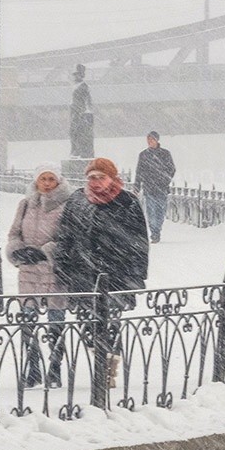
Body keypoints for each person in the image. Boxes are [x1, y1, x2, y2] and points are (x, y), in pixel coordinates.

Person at [55, 157, 149, 390]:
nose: (96, 182)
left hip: (116, 273)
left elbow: (139, 241)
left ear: (113, 178)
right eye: (92, 178)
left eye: (101, 177)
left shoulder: (127, 202)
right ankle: (99, 360)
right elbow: (65, 234)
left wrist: (136, 275)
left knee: (112, 323)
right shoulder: (78, 200)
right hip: (83, 273)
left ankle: (108, 371)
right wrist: (62, 265)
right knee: (88, 324)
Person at [5, 164, 74, 388]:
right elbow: (14, 233)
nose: (46, 183)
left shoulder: (67, 206)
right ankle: (32, 369)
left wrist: (46, 251)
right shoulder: (26, 205)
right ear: (36, 181)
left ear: (58, 181)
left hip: (53, 271)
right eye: (42, 178)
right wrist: (18, 250)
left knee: (56, 322)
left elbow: (69, 239)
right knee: (28, 322)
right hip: (28, 271)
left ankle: (54, 369)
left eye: (50, 179)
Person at [134, 131, 176, 244]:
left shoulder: (165, 154)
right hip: (149, 188)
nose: (149, 142)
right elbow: (139, 171)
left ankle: (157, 229)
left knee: (160, 211)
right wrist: (137, 186)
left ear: (157, 140)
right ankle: (154, 233)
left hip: (162, 188)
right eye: (148, 140)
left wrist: (165, 180)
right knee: (151, 210)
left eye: (152, 139)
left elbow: (172, 169)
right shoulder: (143, 155)